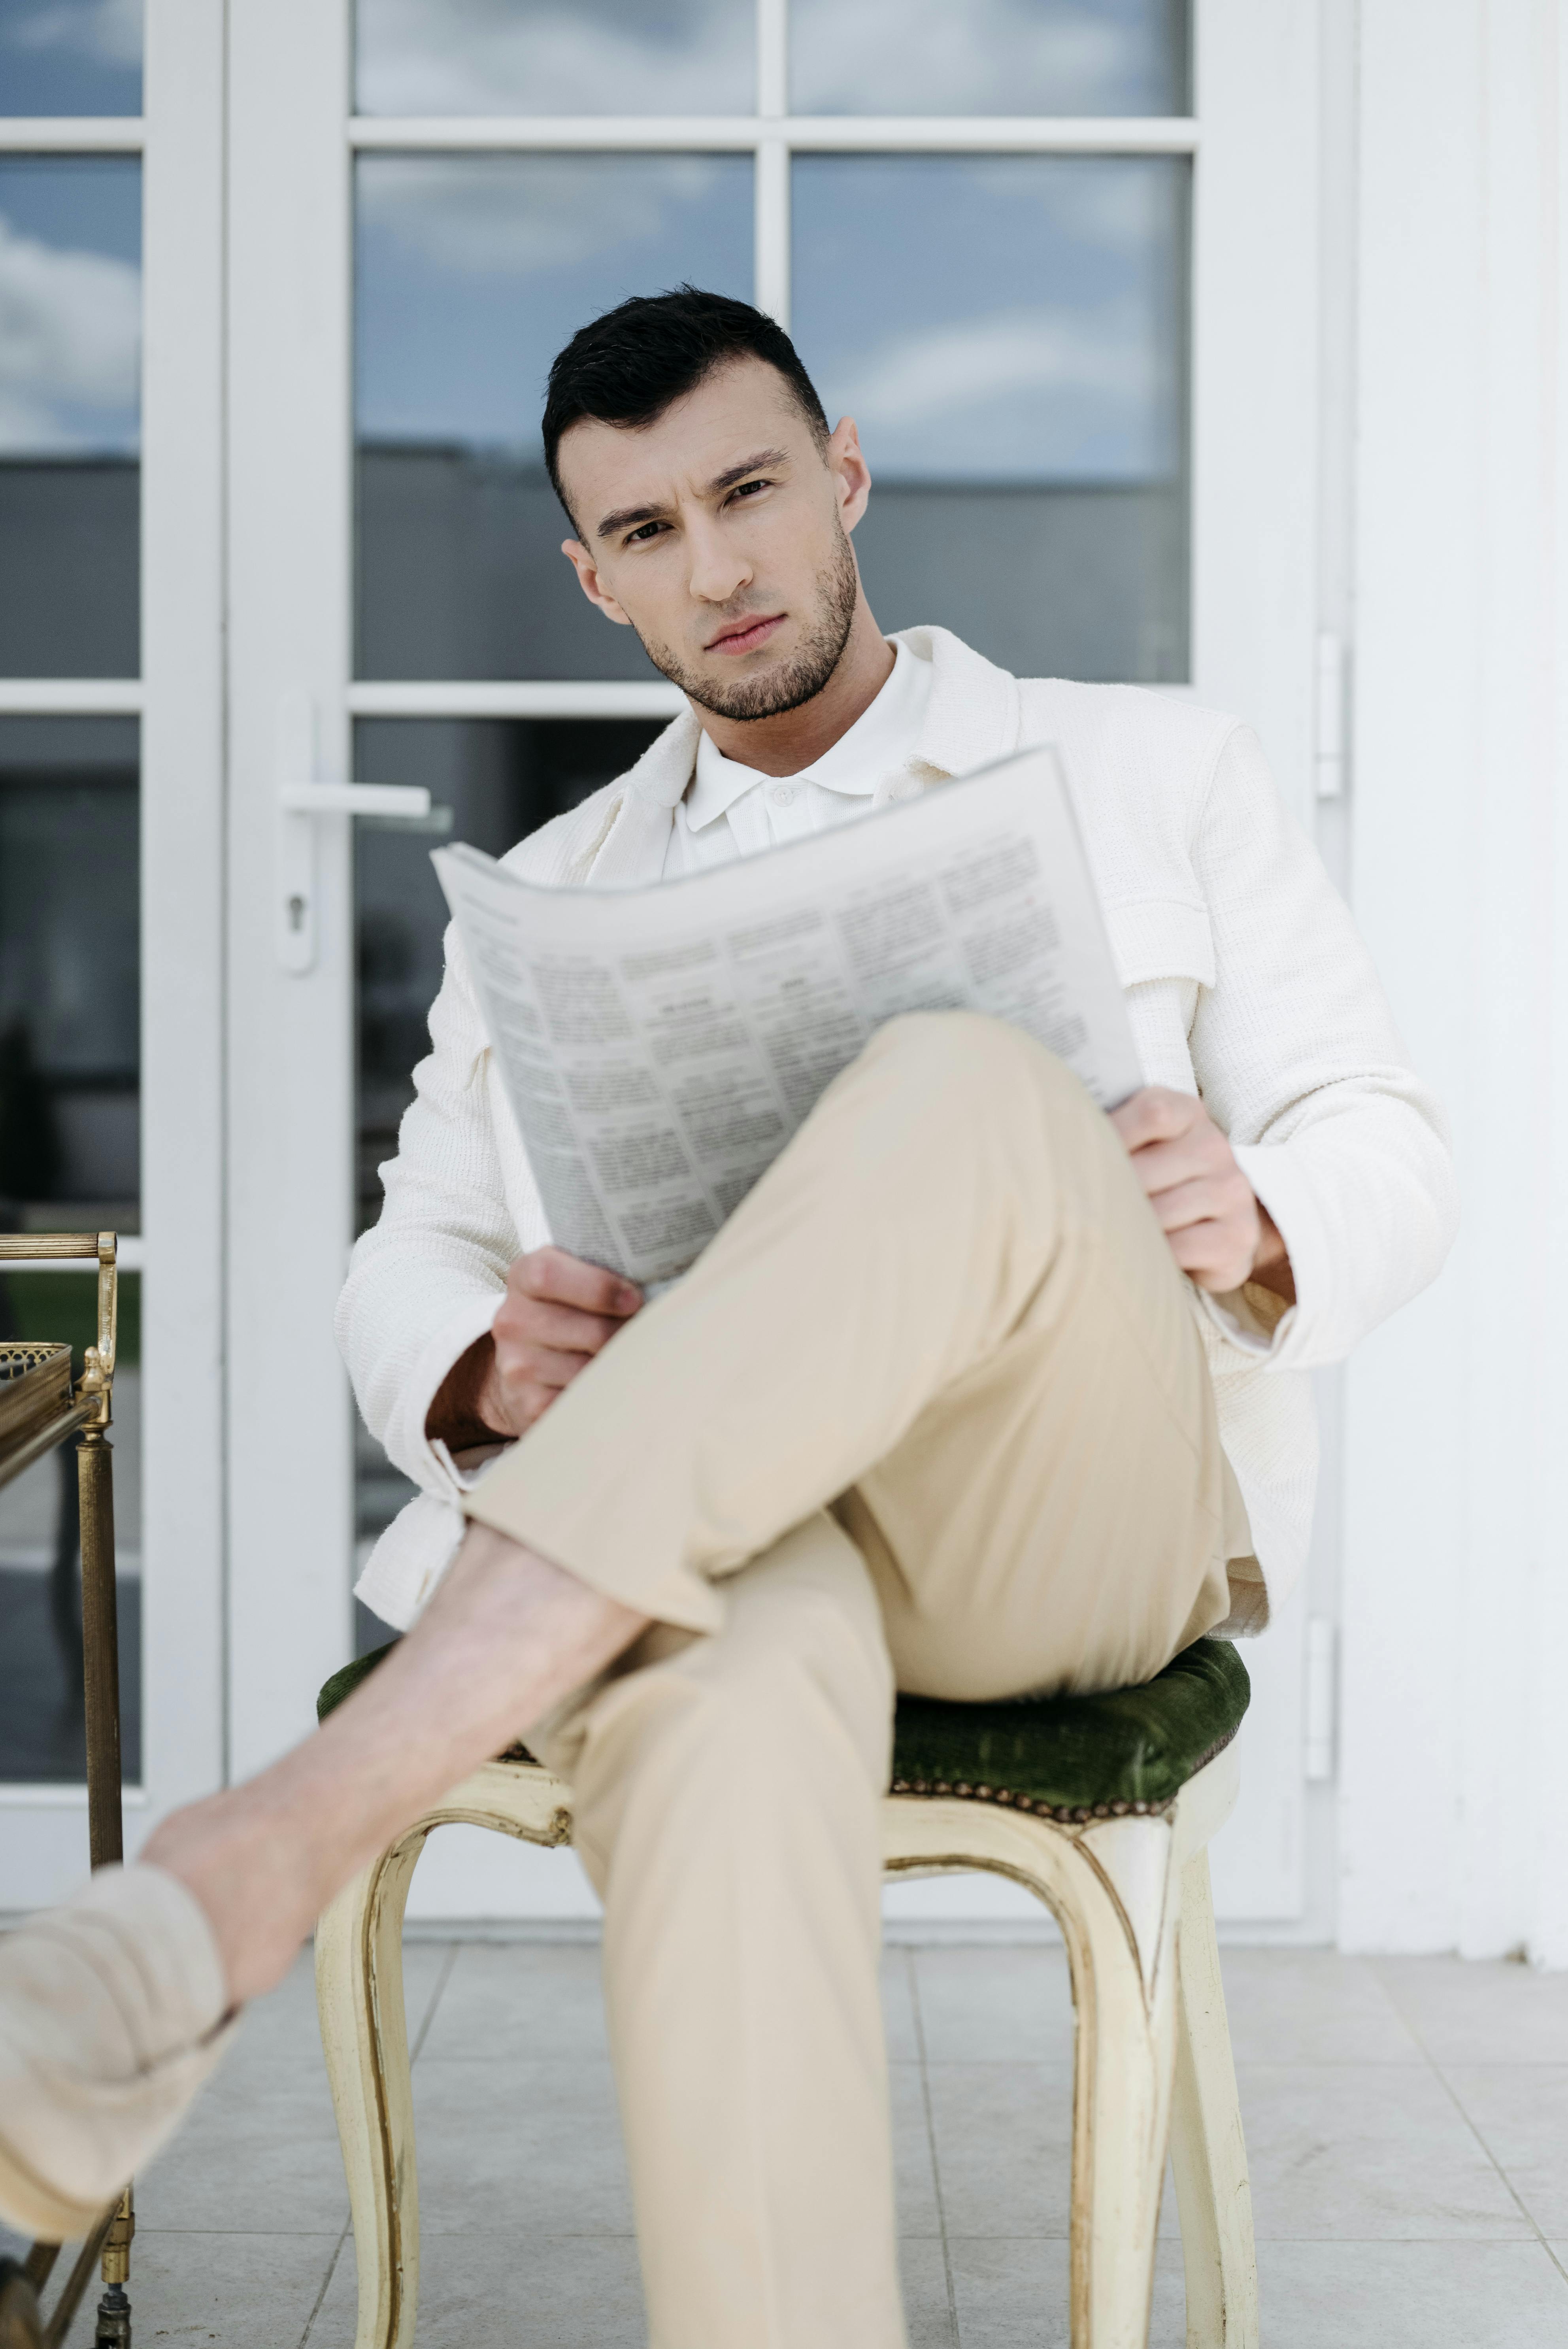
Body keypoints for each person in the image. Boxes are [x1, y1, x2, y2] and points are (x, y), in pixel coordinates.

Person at [1, 290, 1455, 2339]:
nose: (724, 565)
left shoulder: (1147, 766)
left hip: (1047, 1513)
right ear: (595, 579)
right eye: (653, 530)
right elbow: (396, 1257)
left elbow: (1397, 1143)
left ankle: (258, 1853)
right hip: (721, 1534)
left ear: (842, 472)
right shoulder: (555, 889)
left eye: (752, 491)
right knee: (711, 1680)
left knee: (962, 1084)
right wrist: (488, 1360)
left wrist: (1259, 1206)